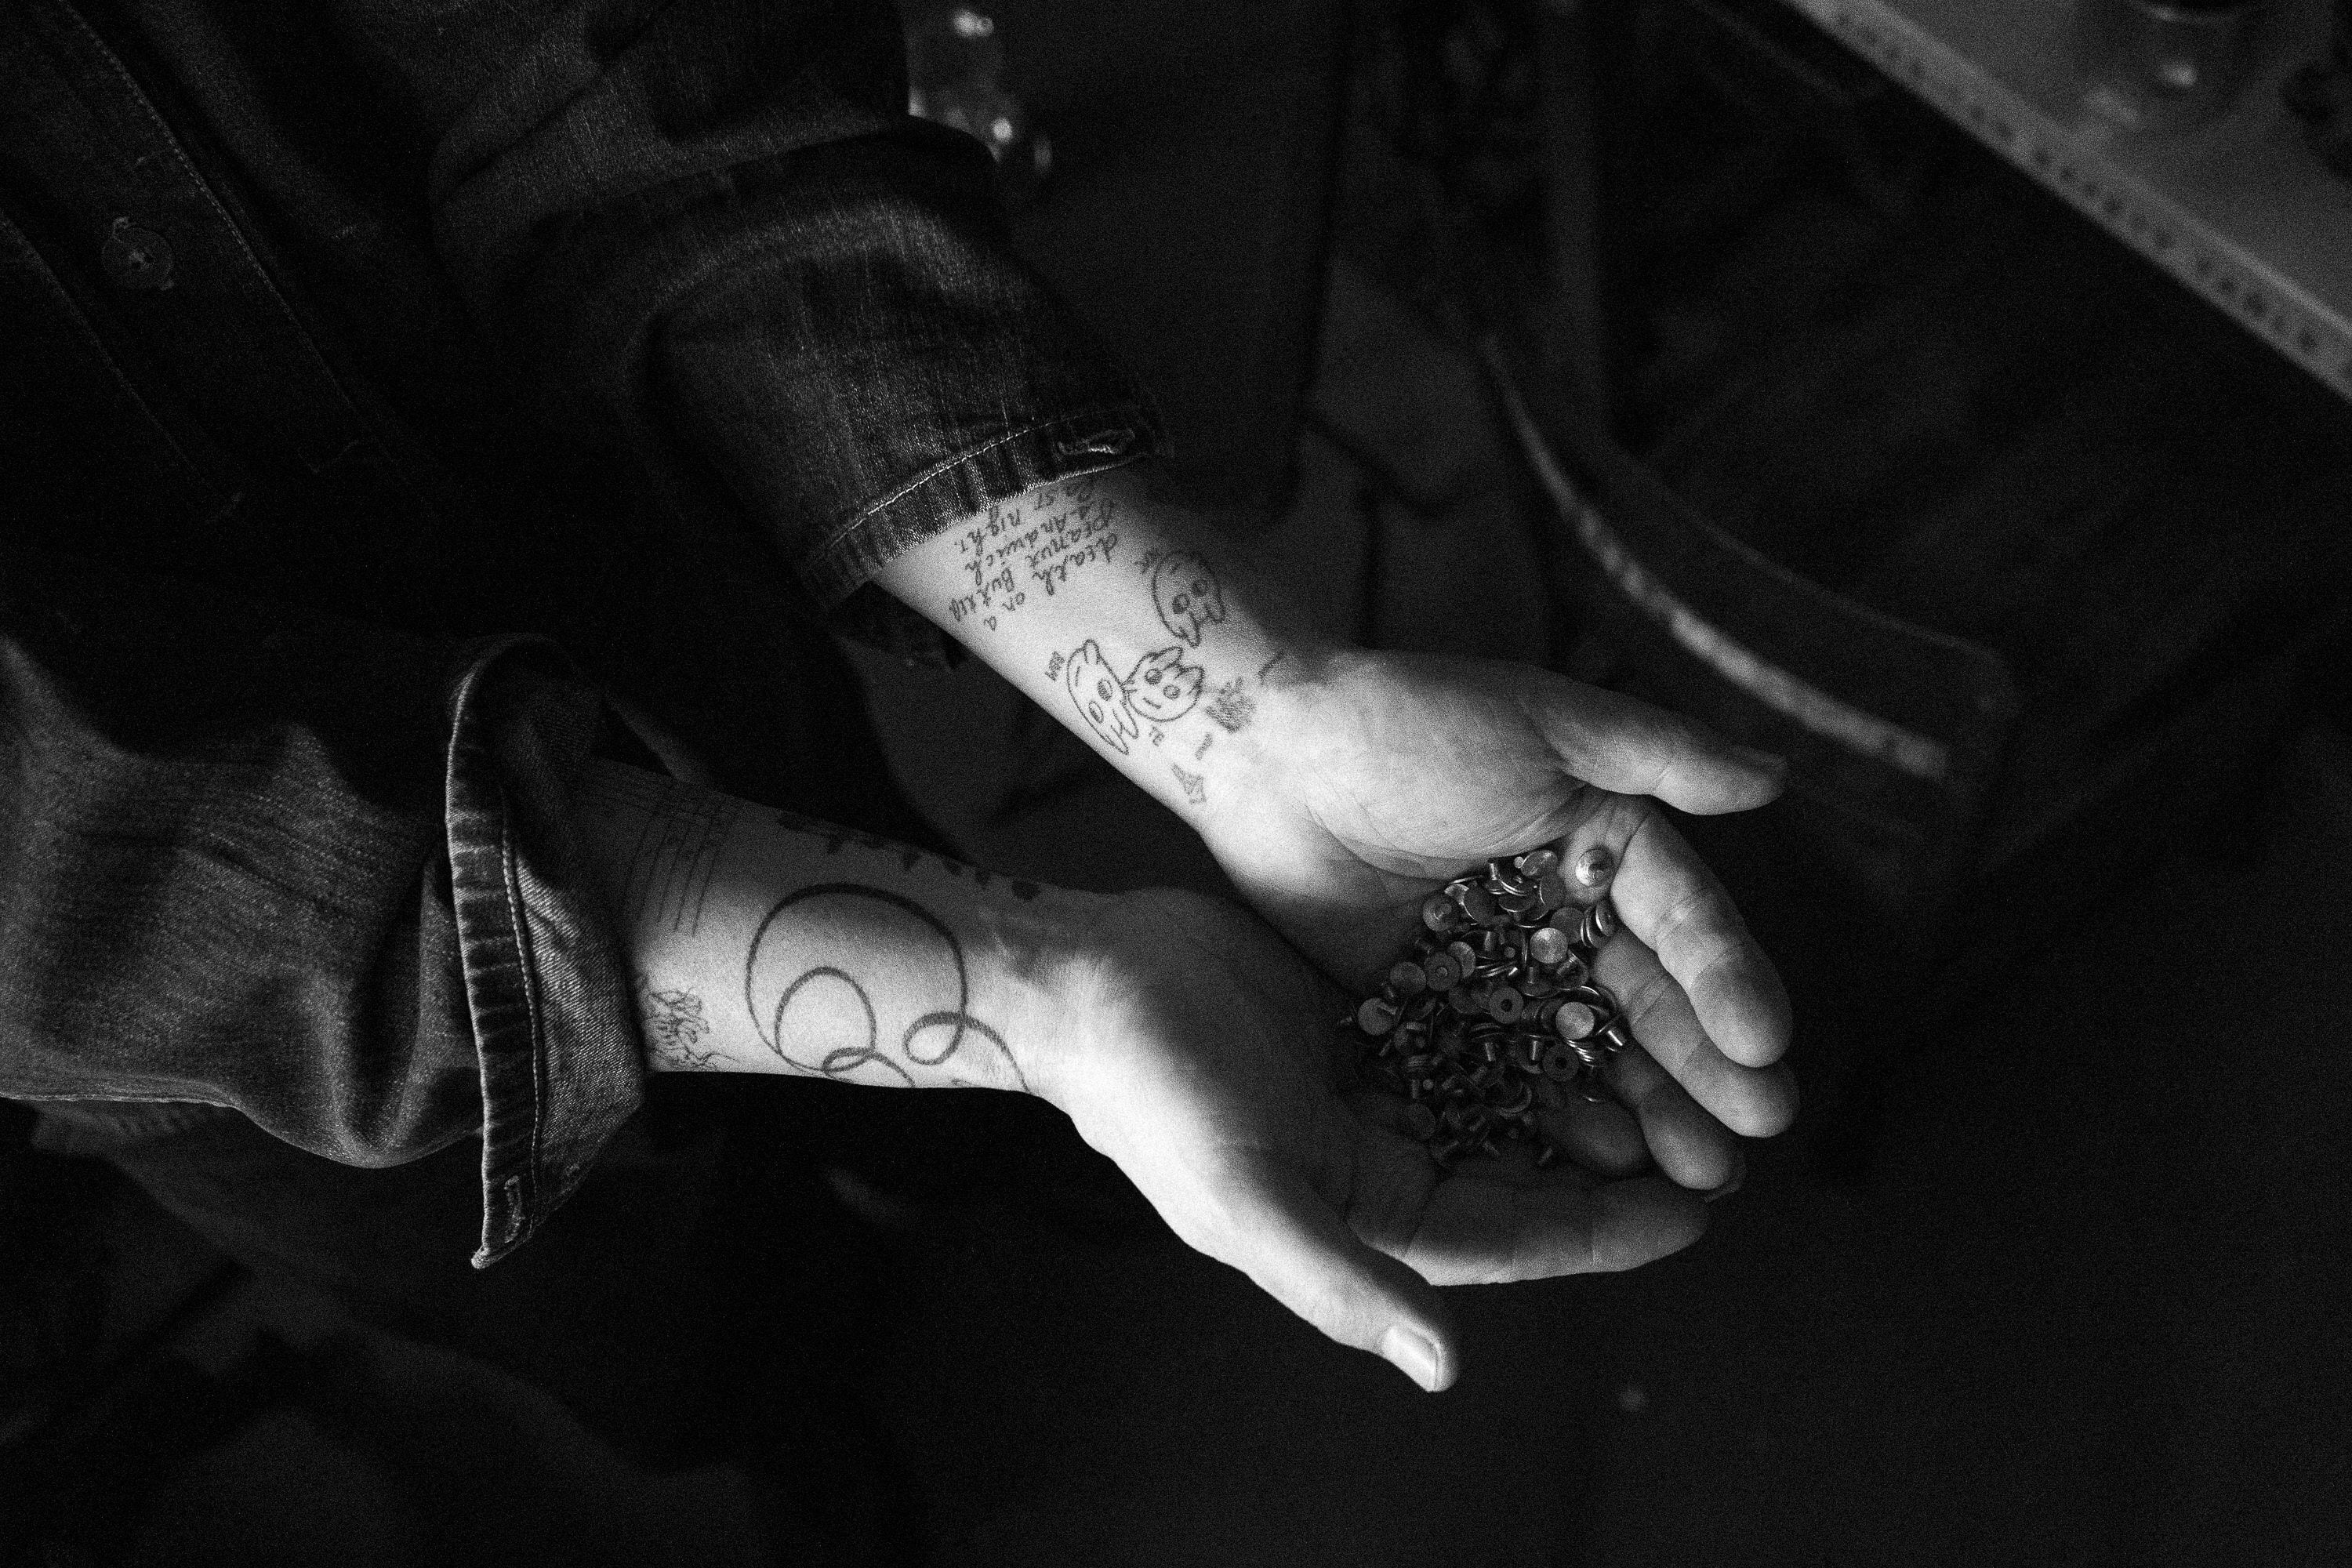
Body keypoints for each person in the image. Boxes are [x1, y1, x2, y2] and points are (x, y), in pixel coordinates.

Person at [0, 0, 1791, 1494]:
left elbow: (606, 92)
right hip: (255, 1024)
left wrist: (1249, 723)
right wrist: (1043, 998)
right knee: (657, 1321)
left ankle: (988, 1148)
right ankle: (809, 1408)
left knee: (854, 833)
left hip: (637, 570)